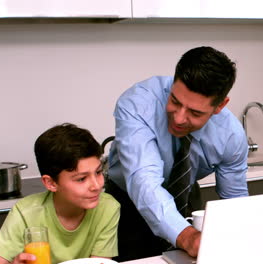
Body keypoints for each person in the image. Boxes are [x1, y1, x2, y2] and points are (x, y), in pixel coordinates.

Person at [106, 46, 249, 261]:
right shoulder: (137, 103)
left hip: (185, 199)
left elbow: (235, 202)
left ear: (220, 105)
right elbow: (144, 181)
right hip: (127, 203)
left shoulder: (231, 135)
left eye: (195, 112)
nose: (180, 118)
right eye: (175, 101)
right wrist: (186, 236)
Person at [0, 123, 121, 264]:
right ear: (51, 183)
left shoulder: (107, 207)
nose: (97, 185)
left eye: (98, 172)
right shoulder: (26, 213)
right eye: (81, 179)